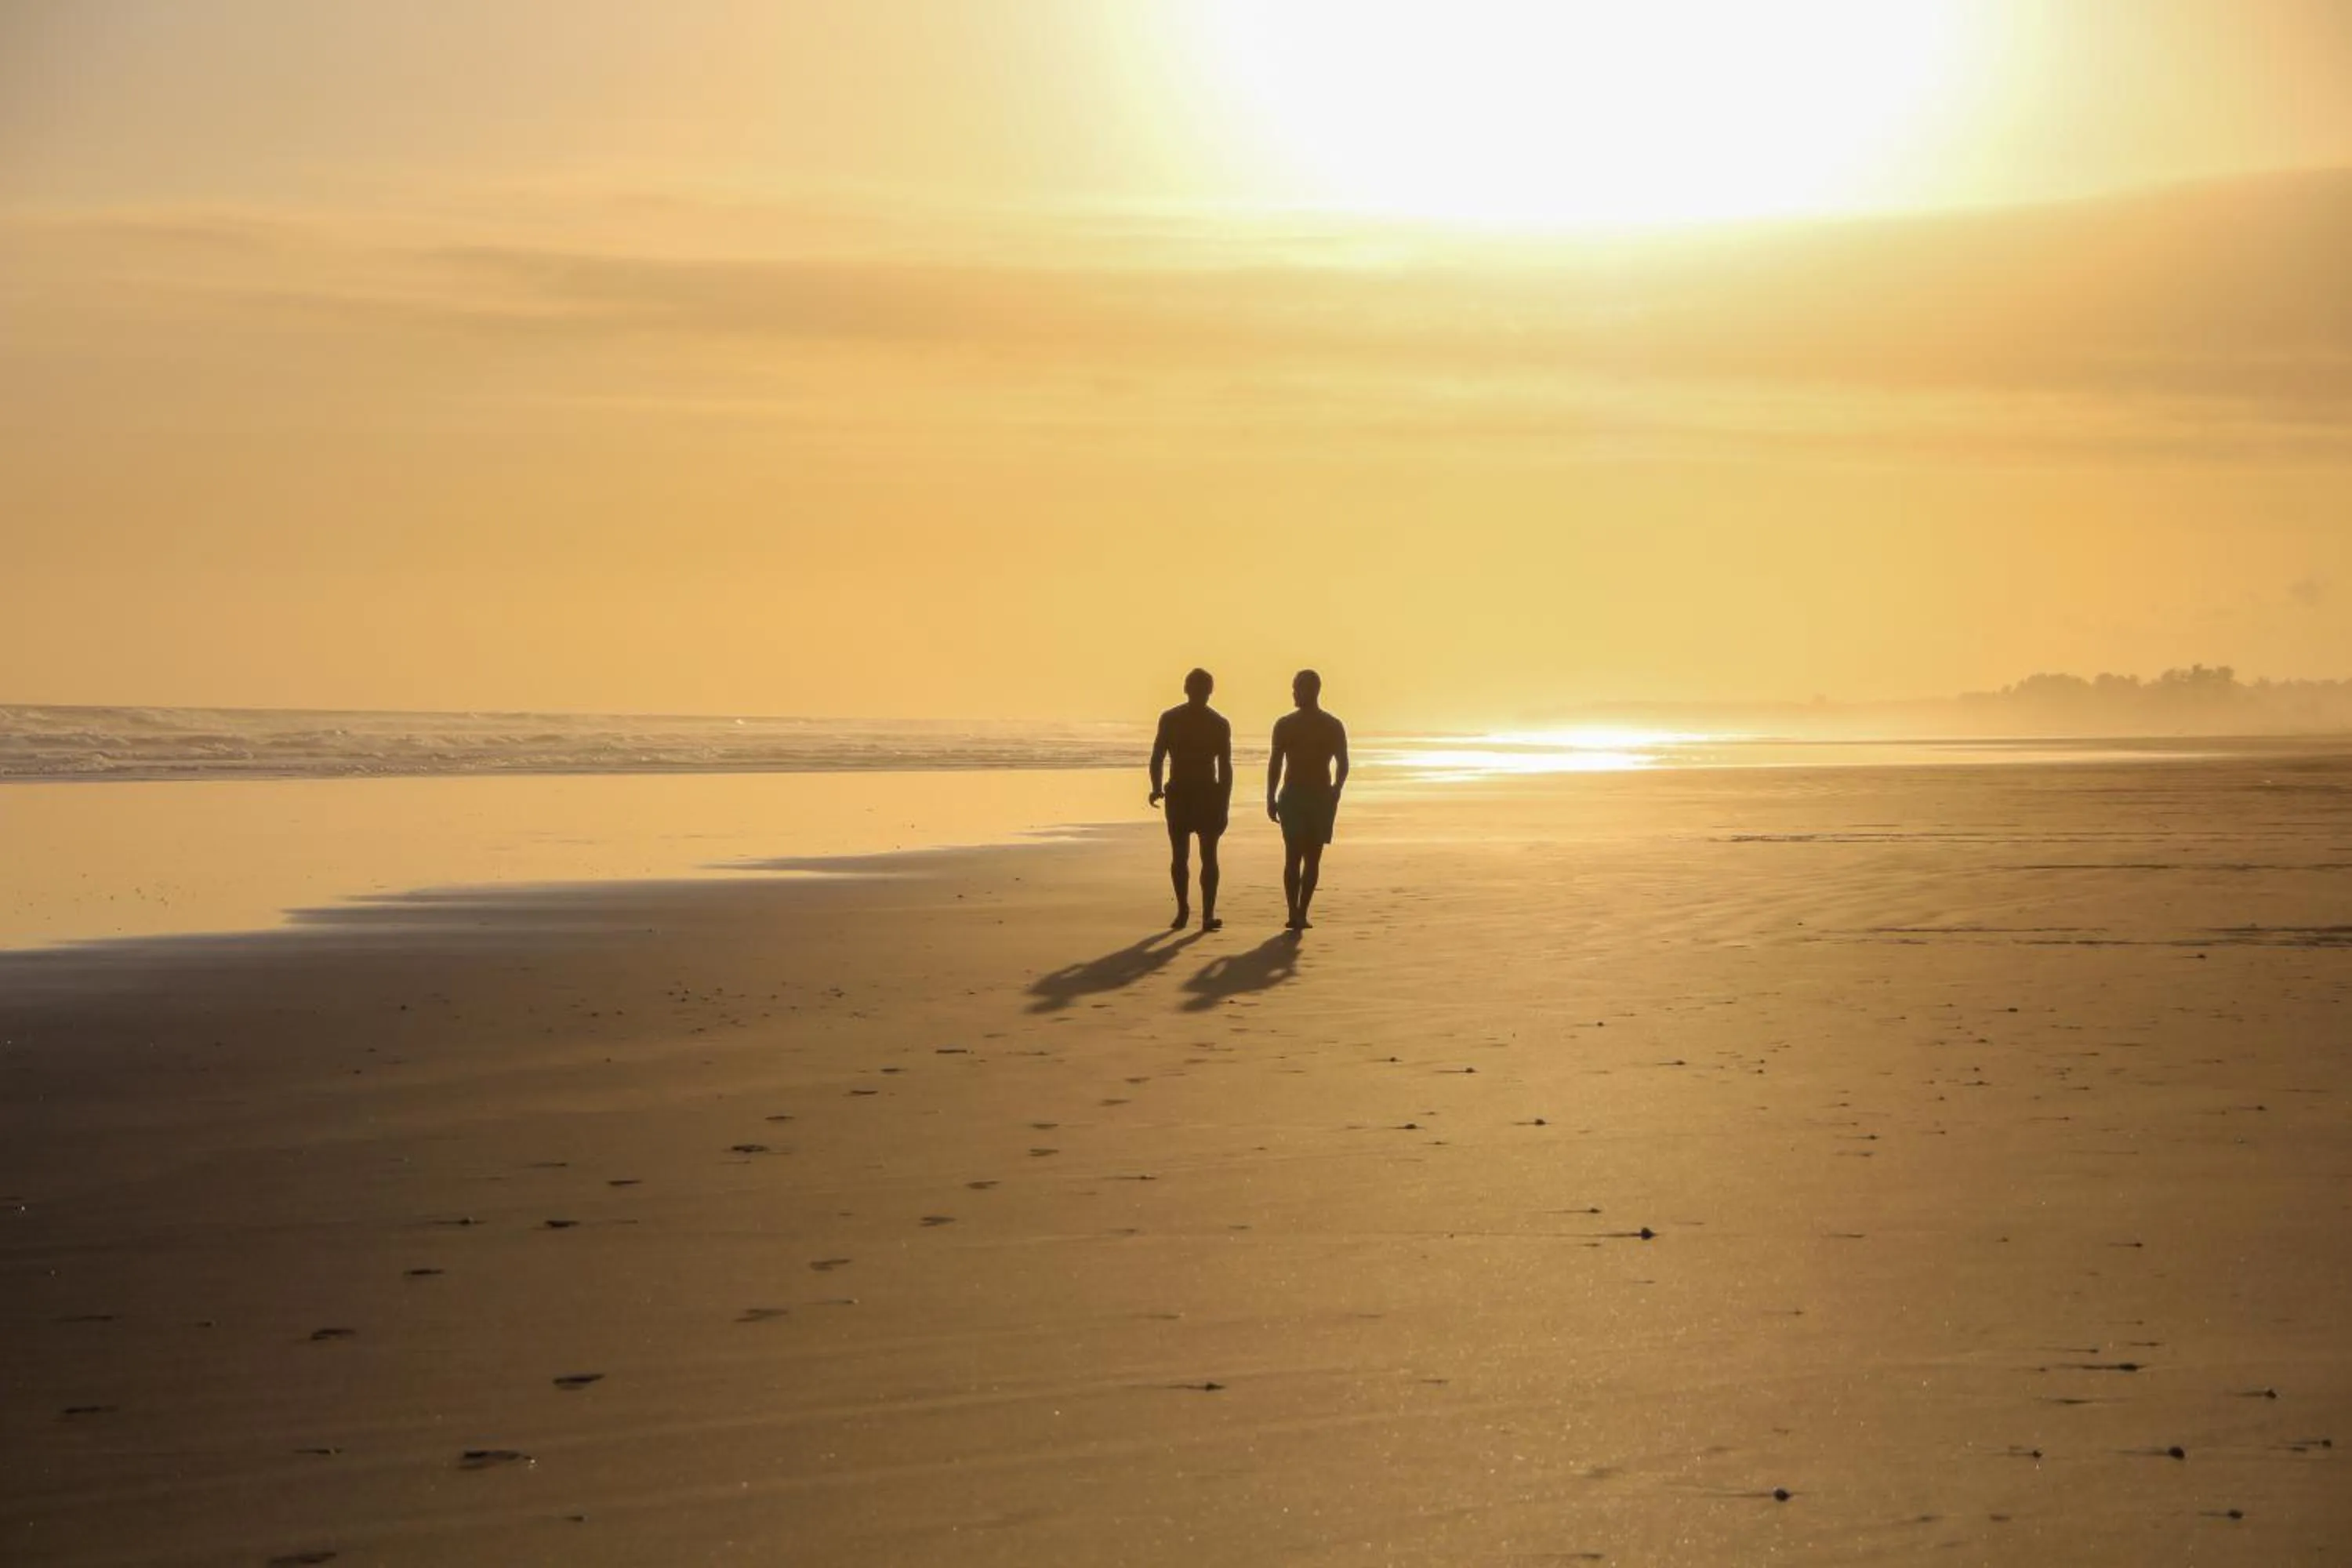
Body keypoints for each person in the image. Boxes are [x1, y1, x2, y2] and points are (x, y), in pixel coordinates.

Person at [1149, 668, 1233, 931]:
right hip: (1182, 793)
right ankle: (1185, 909)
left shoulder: (1218, 723)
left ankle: (1205, 913)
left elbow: (1226, 766)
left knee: (1205, 855)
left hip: (1205, 793)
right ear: (1187, 689)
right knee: (1184, 855)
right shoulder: (1173, 719)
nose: (1198, 693)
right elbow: (1157, 756)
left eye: (1202, 689)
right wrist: (1156, 786)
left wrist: (1224, 801)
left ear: (1209, 692)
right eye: (1195, 688)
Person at [1266, 669, 1349, 931]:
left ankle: (1302, 911)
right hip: (1294, 796)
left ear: (1311, 691)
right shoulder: (1285, 724)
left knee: (1312, 858)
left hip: (1320, 796)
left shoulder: (1332, 725)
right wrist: (1270, 796)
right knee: (1294, 855)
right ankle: (1294, 911)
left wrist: (1337, 789)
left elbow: (1343, 762)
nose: (1294, 693)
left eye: (1297, 689)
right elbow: (1275, 763)